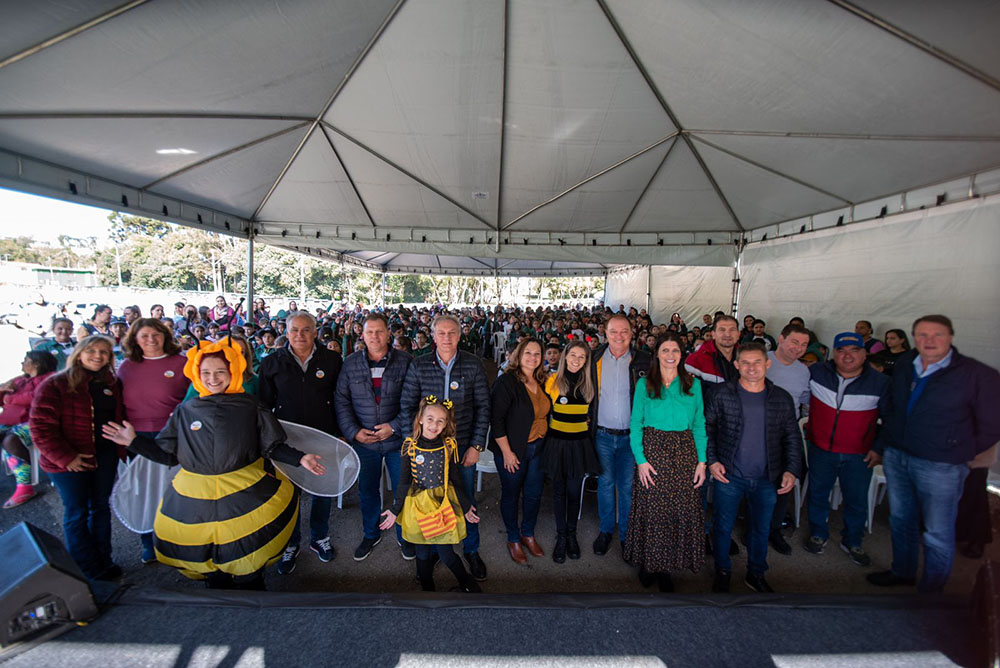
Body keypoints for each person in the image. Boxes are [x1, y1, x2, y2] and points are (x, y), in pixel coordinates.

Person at [103, 340, 324, 590]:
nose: (213, 378)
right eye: (206, 372)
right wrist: (133, 442)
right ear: (197, 374)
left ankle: (254, 600)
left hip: (246, 496)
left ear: (232, 372)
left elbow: (271, 446)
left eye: (220, 371)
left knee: (248, 562)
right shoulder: (186, 410)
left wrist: (300, 458)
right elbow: (168, 455)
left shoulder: (251, 406)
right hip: (195, 499)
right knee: (207, 565)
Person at [867, 315, 1000, 593]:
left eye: (937, 335)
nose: (929, 341)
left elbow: (992, 423)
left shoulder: (975, 374)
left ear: (951, 337)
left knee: (937, 531)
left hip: (941, 466)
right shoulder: (904, 365)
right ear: (913, 337)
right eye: (922, 334)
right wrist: (883, 446)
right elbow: (892, 408)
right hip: (898, 456)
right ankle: (902, 571)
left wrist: (959, 450)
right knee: (901, 520)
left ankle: (931, 593)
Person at [706, 342, 803, 593]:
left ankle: (756, 573)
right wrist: (713, 460)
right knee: (722, 526)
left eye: (757, 362)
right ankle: (723, 570)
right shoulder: (721, 393)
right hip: (729, 474)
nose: (751, 368)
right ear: (736, 365)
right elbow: (708, 429)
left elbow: (792, 437)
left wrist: (791, 470)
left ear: (767, 364)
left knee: (760, 528)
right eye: (745, 362)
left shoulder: (780, 398)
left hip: (767, 477)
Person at [400, 314, 490, 581]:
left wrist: (476, 445)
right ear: (433, 335)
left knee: (465, 500)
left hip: (461, 446)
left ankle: (471, 550)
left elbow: (484, 406)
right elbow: (407, 406)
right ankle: (435, 547)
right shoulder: (419, 365)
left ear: (460, 335)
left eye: (452, 333)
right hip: (426, 450)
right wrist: (413, 443)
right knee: (431, 499)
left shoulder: (473, 365)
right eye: (441, 333)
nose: (447, 338)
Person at [29, 336, 125, 581]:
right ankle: (85, 567)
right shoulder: (56, 384)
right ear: (79, 353)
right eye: (92, 350)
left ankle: (104, 559)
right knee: (77, 512)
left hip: (104, 456)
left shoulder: (111, 383)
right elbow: (40, 427)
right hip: (67, 463)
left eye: (104, 352)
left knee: (101, 508)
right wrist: (66, 458)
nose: (98, 356)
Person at [260, 311, 343, 574]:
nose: (300, 335)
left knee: (322, 490)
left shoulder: (332, 360)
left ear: (316, 332)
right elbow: (263, 406)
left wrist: (340, 433)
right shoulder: (272, 362)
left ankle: (319, 537)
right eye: (295, 330)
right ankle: (290, 542)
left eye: (306, 330)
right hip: (288, 442)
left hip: (324, 437)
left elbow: (341, 399)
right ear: (286, 332)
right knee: (289, 495)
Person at [624, 333, 707, 592]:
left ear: (682, 355)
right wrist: (641, 461)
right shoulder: (644, 384)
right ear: (656, 354)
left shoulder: (693, 385)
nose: (670, 355)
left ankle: (667, 566)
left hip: (684, 454)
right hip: (653, 453)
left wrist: (702, 462)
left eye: (675, 350)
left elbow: (699, 424)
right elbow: (635, 424)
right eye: (665, 350)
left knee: (678, 511)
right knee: (652, 511)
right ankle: (649, 563)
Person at [803, 332, 889, 566]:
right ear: (833, 353)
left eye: (854, 350)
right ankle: (818, 533)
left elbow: (891, 419)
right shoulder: (817, 372)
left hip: (859, 454)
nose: (847, 355)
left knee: (856, 499)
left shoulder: (880, 383)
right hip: (821, 449)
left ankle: (852, 540)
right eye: (841, 350)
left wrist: (878, 448)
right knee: (818, 495)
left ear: (864, 354)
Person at [380, 396, 481, 592]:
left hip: (441, 504)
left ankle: (468, 585)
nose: (434, 425)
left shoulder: (448, 446)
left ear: (445, 425)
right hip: (417, 505)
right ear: (420, 419)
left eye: (440, 421)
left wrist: (466, 505)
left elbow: (456, 479)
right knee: (422, 552)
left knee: (446, 553)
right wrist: (394, 510)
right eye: (430, 419)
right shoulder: (409, 446)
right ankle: (427, 590)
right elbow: (403, 482)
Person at [335, 313, 414, 561]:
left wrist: (394, 426)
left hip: (397, 440)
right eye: (370, 332)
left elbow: (414, 401)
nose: (375, 337)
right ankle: (371, 533)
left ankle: (405, 535)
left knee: (405, 489)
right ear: (362, 334)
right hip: (364, 442)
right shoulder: (350, 363)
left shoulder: (405, 361)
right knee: (367, 490)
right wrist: (354, 431)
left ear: (389, 334)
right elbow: (341, 400)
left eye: (380, 331)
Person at [115, 318, 190, 563]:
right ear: (134, 339)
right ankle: (149, 541)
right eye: (144, 335)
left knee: (176, 489)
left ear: (165, 336)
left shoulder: (182, 362)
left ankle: (181, 539)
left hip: (174, 434)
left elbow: (195, 396)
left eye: (156, 334)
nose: (150, 340)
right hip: (136, 437)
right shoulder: (126, 367)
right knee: (144, 491)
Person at [589, 314, 651, 557]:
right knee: (605, 484)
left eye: (624, 331)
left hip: (631, 438)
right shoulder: (594, 358)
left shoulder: (645, 360)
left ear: (632, 333)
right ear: (605, 332)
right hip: (602, 434)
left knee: (626, 487)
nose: (619, 336)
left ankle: (626, 534)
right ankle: (606, 531)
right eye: (614, 331)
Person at [491, 338, 551, 564]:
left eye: (537, 354)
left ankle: (528, 533)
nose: (533, 358)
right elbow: (496, 420)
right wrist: (506, 452)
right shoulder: (506, 382)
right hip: (513, 449)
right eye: (528, 353)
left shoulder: (543, 381)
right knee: (511, 493)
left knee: (534, 494)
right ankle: (513, 538)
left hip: (538, 447)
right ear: (518, 354)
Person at [541, 341, 600, 563]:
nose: (576, 360)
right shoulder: (552, 382)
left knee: (575, 492)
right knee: (559, 492)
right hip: (557, 444)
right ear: (564, 356)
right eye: (572, 355)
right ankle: (561, 536)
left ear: (587, 361)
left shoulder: (590, 385)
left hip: (579, 445)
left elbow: (592, 414)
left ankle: (572, 534)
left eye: (581, 357)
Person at [763, 323, 811, 555]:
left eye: (803, 345)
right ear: (780, 339)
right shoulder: (762, 360)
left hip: (785, 434)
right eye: (794, 342)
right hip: (757, 430)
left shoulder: (804, 371)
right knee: (755, 483)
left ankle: (774, 530)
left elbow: (804, 403)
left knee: (784, 483)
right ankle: (754, 525)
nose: (798, 348)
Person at [1, 351, 57, 508]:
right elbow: (3, 401)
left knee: (11, 439)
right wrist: (3, 391)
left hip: (38, 422)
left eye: (26, 360)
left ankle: (24, 487)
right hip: (10, 421)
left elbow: (36, 397)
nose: (22, 363)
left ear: (36, 364)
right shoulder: (19, 381)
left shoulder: (50, 378)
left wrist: (10, 398)